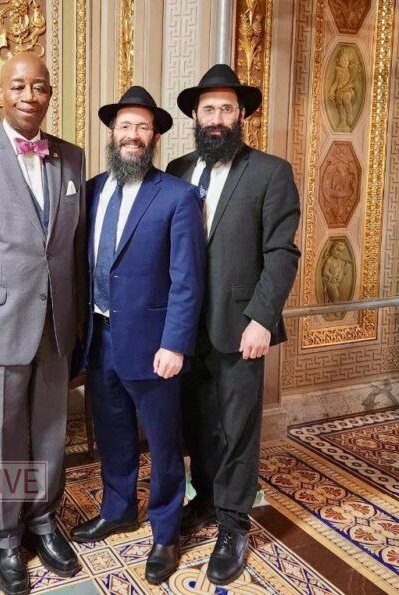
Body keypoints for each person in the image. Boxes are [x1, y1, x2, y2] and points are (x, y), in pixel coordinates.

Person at [0, 51, 86, 595]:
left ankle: (44, 520)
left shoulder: (71, 158)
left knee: (51, 427)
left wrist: (76, 319)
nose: (30, 96)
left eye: (40, 87)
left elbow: (72, 249)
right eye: (19, 86)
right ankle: (5, 536)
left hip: (57, 323)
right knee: (1, 435)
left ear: (50, 94)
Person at [167, 64, 301, 585]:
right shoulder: (177, 169)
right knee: (197, 423)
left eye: (227, 108)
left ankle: (233, 524)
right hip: (185, 328)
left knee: (237, 428)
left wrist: (262, 319)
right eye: (209, 109)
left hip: (242, 326)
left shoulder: (270, 172)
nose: (218, 118)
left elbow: (282, 253)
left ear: (241, 114)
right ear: (196, 117)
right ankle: (204, 500)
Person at [70, 86, 205, 584]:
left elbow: (188, 279)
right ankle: (118, 508)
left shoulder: (177, 196)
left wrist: (175, 344)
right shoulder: (90, 190)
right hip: (100, 337)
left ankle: (166, 532)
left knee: (165, 443)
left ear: (155, 138)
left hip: (154, 346)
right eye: (124, 126)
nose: (132, 135)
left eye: (142, 127)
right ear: (112, 134)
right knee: (113, 433)